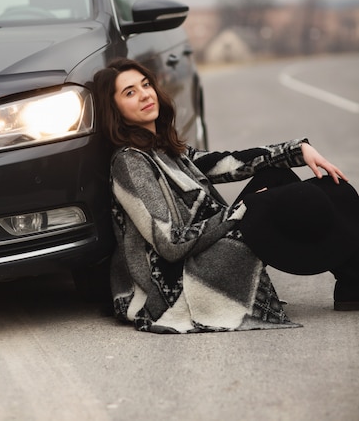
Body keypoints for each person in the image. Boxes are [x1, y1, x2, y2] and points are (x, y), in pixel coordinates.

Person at [93, 57, 359, 334]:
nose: (145, 94)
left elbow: (228, 163)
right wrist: (244, 208)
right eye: (130, 92)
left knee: (322, 185)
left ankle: (352, 282)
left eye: (146, 85)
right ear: (115, 110)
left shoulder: (164, 150)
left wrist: (295, 151)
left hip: (205, 248)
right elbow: (169, 243)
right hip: (177, 280)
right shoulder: (130, 162)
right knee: (300, 197)